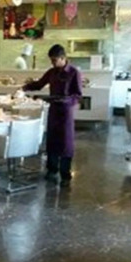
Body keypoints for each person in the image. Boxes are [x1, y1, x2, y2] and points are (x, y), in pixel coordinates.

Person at [22, 44, 82, 187]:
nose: (52, 63)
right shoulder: (52, 72)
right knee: (52, 140)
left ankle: (65, 173)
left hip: (66, 111)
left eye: (54, 60)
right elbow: (39, 84)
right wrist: (24, 88)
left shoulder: (74, 72)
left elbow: (78, 95)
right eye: (51, 60)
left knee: (66, 142)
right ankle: (52, 170)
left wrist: (67, 101)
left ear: (63, 58)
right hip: (54, 109)